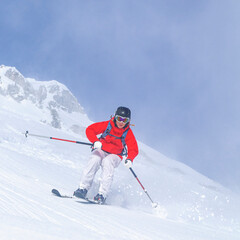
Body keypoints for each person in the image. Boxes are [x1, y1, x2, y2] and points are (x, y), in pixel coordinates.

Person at [73, 106, 139, 204]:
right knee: (95, 159)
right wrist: (95, 141)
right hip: (102, 150)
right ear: (114, 117)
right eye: (119, 118)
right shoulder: (107, 125)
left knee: (107, 162)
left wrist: (130, 159)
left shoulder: (128, 133)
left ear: (128, 121)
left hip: (115, 155)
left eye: (124, 120)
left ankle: (102, 194)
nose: (121, 122)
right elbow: (90, 130)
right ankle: (83, 188)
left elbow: (133, 148)